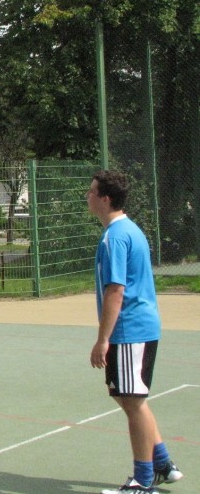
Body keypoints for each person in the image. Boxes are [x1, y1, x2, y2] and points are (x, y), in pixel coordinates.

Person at [87, 171, 183, 494]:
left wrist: (103, 340)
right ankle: (163, 464)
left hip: (129, 330)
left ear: (105, 198)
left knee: (133, 402)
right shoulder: (130, 231)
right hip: (140, 328)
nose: (87, 197)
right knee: (131, 399)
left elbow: (115, 291)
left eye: (91, 192)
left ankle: (143, 481)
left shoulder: (116, 236)